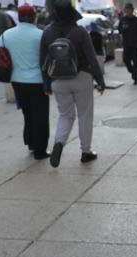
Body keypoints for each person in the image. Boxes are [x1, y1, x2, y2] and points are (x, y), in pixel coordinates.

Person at [40, 0, 105, 168]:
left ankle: (59, 143)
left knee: (65, 115)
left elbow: (42, 61)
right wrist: (100, 81)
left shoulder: (47, 33)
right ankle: (86, 152)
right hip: (81, 77)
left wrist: (46, 85)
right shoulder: (80, 32)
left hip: (58, 81)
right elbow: (91, 57)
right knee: (85, 115)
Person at [0, 3, 50, 160]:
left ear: (18, 17)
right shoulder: (40, 34)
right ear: (33, 17)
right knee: (40, 116)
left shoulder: (7, 34)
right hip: (38, 82)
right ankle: (40, 150)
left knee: (28, 113)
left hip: (17, 80)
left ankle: (31, 143)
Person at [118, 3, 137, 85]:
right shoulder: (123, 20)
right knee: (126, 60)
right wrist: (123, 28)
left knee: (136, 62)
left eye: (129, 9)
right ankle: (132, 71)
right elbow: (119, 30)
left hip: (136, 45)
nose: (127, 10)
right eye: (126, 9)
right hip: (127, 45)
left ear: (132, 10)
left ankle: (136, 78)